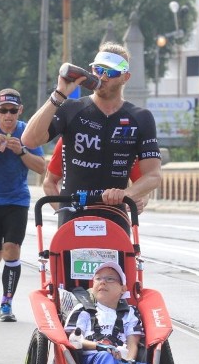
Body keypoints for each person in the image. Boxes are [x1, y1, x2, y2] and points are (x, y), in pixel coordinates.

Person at [21, 42, 161, 232]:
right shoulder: (71, 108)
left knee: (119, 263)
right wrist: (58, 94)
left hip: (114, 216)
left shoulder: (140, 117)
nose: (102, 77)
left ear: (125, 77)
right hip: (73, 214)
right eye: (97, 69)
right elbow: (29, 140)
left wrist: (126, 194)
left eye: (110, 73)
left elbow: (153, 175)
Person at [0, 88, 45, 322]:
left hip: (17, 199)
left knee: (12, 249)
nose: (8, 115)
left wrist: (22, 151)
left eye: (12, 111)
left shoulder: (27, 132)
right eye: (3, 110)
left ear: (20, 111)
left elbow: (42, 167)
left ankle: (6, 303)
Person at [63, 262, 151, 364]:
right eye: (98, 279)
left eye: (110, 279)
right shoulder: (83, 310)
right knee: (105, 356)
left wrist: (129, 360)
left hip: (122, 362)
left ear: (123, 289)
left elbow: (133, 344)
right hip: (92, 360)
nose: (102, 282)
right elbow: (74, 340)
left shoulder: (130, 312)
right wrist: (99, 346)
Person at [43, 137, 146, 213]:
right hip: (74, 217)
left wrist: (139, 201)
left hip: (114, 217)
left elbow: (145, 186)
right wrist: (63, 211)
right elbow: (49, 182)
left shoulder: (126, 142)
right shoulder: (68, 138)